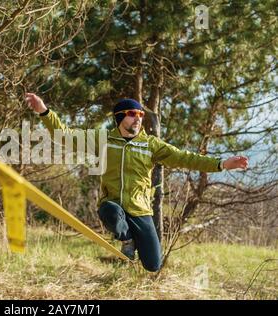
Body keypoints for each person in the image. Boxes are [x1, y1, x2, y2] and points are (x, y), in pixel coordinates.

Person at [25, 93, 248, 272]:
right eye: (133, 114)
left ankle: (135, 241)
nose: (138, 118)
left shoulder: (151, 144)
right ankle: (127, 238)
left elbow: (186, 157)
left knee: (153, 265)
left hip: (140, 209)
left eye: (140, 114)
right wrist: (44, 111)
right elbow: (64, 135)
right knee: (109, 211)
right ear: (120, 117)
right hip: (113, 203)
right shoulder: (103, 140)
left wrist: (222, 164)